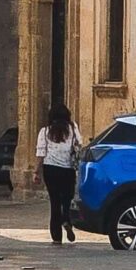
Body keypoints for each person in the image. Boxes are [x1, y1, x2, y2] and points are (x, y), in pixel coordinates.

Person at [35, 102, 83, 246]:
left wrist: (36, 172)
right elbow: (79, 145)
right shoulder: (73, 129)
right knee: (67, 199)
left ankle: (56, 237)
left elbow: (41, 153)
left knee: (54, 201)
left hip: (50, 169)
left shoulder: (45, 131)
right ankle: (66, 219)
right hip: (68, 169)